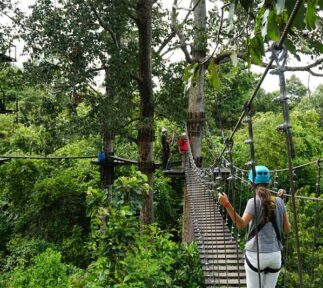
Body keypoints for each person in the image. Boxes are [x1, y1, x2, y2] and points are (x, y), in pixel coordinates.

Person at [218, 165, 291, 288]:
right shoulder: (279, 201)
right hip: (275, 256)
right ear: (269, 182)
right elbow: (287, 230)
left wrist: (226, 204)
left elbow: (240, 224)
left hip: (256, 255)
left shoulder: (253, 202)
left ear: (251, 183)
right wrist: (281, 205)